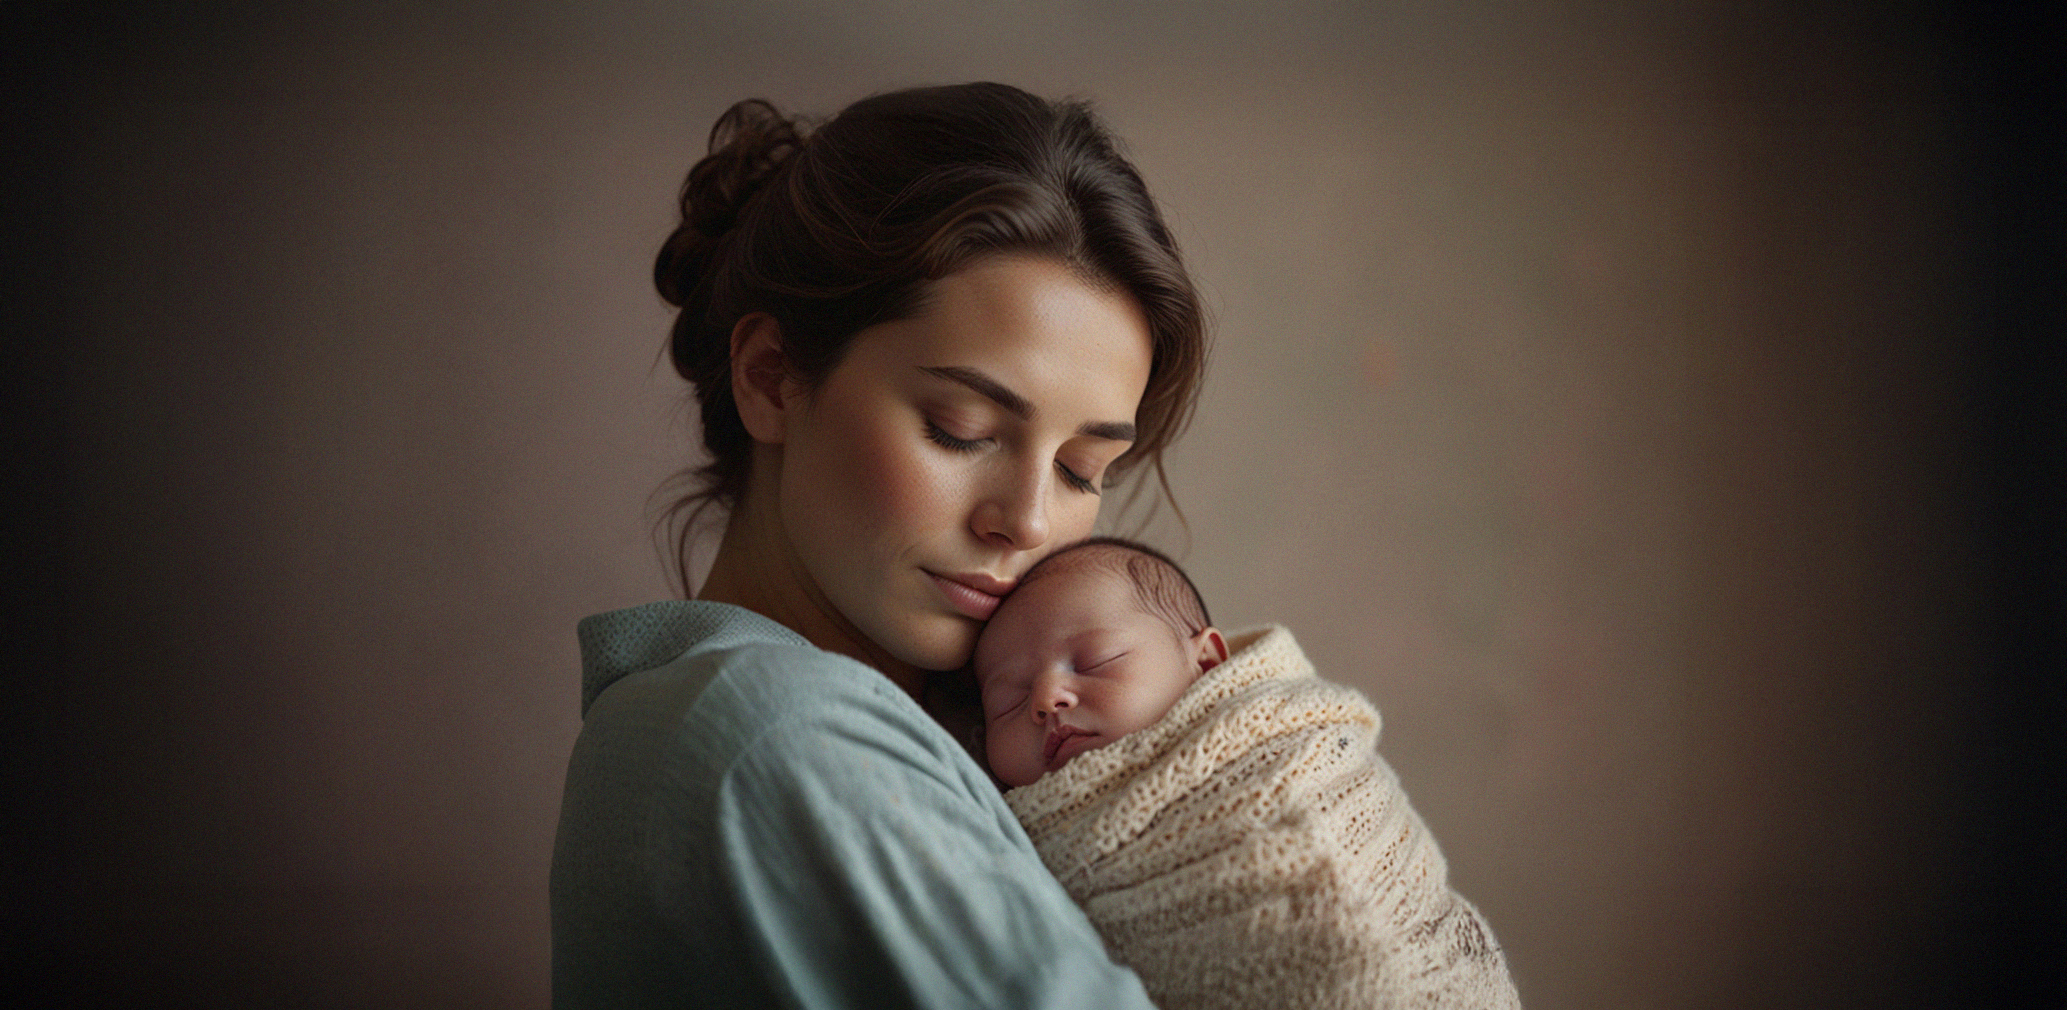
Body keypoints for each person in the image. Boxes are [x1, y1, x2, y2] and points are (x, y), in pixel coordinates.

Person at [549, 83, 1207, 1009]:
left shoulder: (721, 716)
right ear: (770, 378)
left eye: (1081, 469)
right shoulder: (780, 732)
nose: (1024, 521)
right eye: (961, 428)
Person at [975, 537, 1523, 1010]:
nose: (1046, 699)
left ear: (1207, 662)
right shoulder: (996, 830)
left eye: (1094, 661)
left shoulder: (1282, 742)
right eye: (1008, 699)